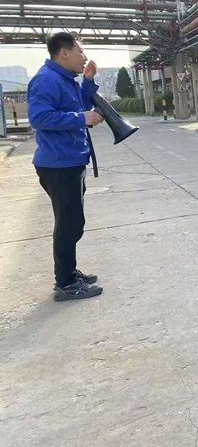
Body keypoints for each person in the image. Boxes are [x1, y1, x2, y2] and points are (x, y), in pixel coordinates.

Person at [27, 32, 105, 301]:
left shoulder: (65, 80)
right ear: (64, 53)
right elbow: (39, 117)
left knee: (73, 222)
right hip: (58, 165)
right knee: (68, 224)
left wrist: (88, 82)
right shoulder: (46, 79)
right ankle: (66, 283)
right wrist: (82, 118)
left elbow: (79, 107)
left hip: (70, 161)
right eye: (80, 51)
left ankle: (69, 273)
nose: (84, 56)